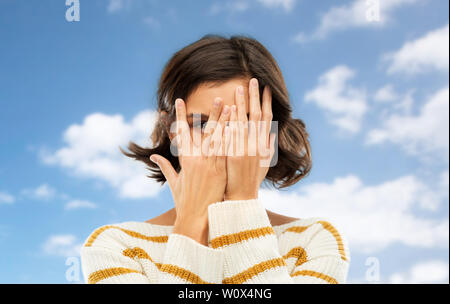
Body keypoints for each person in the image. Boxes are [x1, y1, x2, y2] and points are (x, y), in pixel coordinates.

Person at [80, 34, 350, 284]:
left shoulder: (315, 242)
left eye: (240, 124)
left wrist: (241, 204)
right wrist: (191, 227)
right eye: (200, 124)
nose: (218, 141)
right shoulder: (116, 248)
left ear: (270, 135)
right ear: (172, 132)